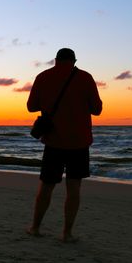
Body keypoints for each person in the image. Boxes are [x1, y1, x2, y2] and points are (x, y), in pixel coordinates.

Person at [26, 48, 102, 242]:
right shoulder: (85, 78)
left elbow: (31, 106)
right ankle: (67, 233)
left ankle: (35, 227)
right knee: (74, 189)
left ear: (56, 60)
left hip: (53, 142)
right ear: (74, 60)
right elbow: (97, 109)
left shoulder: (43, 76)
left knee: (46, 187)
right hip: (79, 143)